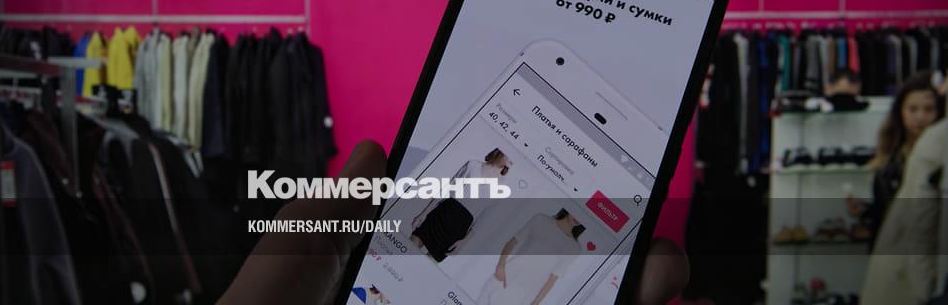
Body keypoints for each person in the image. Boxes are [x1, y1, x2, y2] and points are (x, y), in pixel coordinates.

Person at [218, 141, 689, 305]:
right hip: (460, 220)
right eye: (506, 162)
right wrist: (497, 265)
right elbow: (462, 201)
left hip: (471, 228)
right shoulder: (478, 171)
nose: (507, 167)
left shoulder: (516, 198)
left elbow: (536, 265)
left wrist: (469, 242)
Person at [847, 71, 941, 245]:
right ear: (901, 112)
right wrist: (865, 210)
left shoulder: (943, 157)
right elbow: (885, 211)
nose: (920, 117)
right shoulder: (890, 157)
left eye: (929, 109)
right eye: (912, 109)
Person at [409, 147, 512, 261]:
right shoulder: (473, 165)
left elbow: (484, 218)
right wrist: (424, 213)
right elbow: (448, 188)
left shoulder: (501, 187)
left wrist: (464, 242)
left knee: (424, 267)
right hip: (443, 212)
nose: (512, 160)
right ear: (501, 151)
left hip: (459, 228)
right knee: (406, 252)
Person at [476, 208, 586, 305]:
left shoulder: (574, 248)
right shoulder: (541, 220)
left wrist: (536, 302)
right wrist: (500, 266)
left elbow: (552, 279)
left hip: (526, 293)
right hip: (507, 277)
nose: (578, 218)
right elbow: (512, 242)